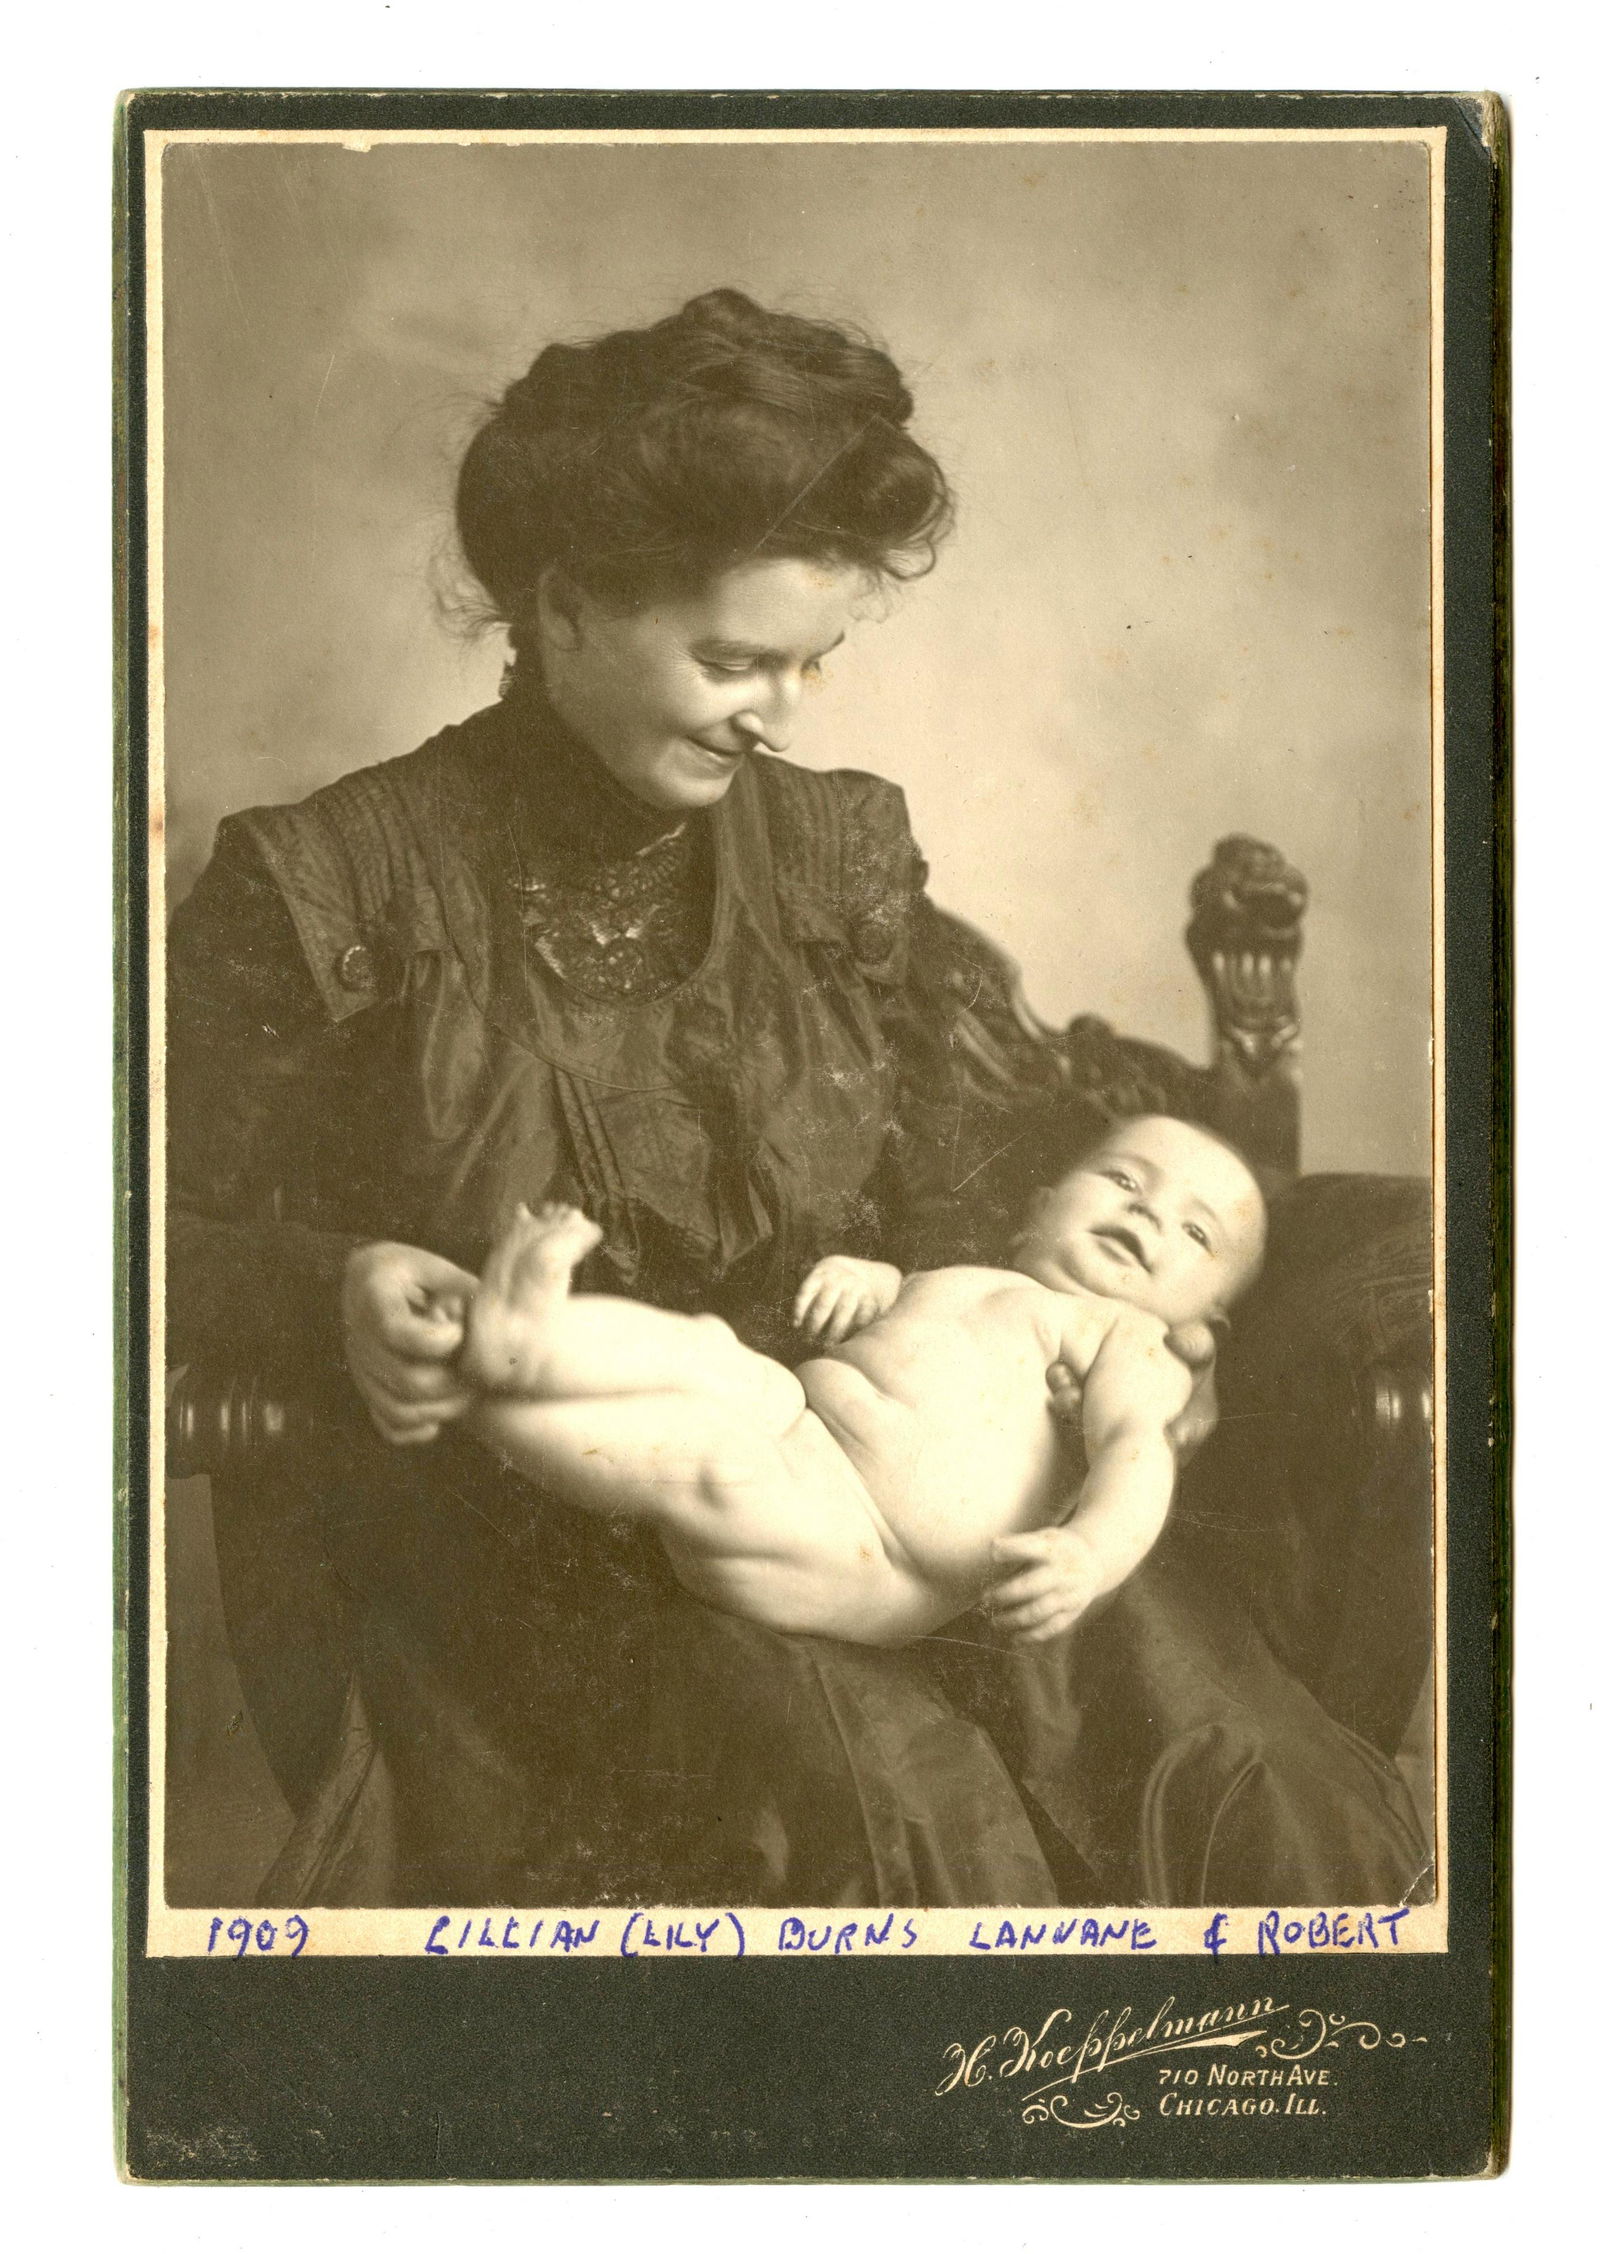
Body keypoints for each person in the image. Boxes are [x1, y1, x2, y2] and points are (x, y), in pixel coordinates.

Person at [168, 287, 1425, 1910]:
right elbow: (102, 1220)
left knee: (1234, 1748)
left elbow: (992, 1144)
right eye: (733, 658)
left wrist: (1125, 1324)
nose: (785, 709)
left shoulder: (834, 851)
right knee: (886, 1813)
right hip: (549, 1519)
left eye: (815, 659)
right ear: (559, 610)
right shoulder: (330, 881)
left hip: (910, 1458)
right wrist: (319, 1289)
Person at [456, 1118, 1266, 1649]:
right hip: (802, 1424)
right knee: (712, 1356)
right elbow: (917, 1313)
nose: (1149, 1215)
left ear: (1208, 1324)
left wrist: (1091, 1554)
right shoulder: (976, 1276)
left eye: (1196, 1230)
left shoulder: (1131, 1342)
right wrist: (871, 1279)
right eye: (1124, 1181)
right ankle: (531, 1341)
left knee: (707, 1458)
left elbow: (1137, 1452)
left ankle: (480, 1401)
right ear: (1038, 1211)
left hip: (868, 1549)